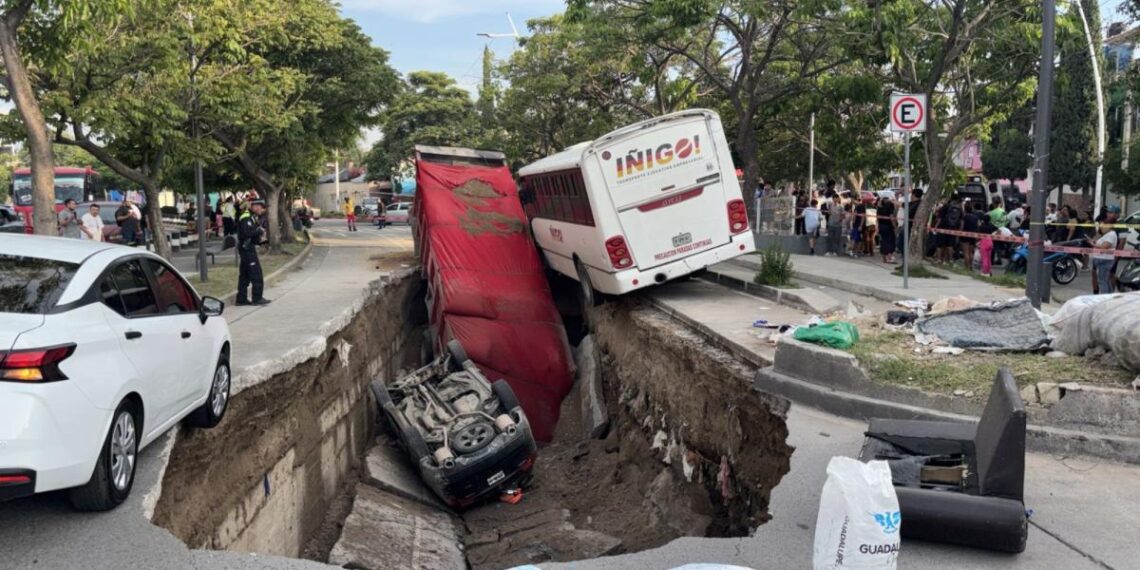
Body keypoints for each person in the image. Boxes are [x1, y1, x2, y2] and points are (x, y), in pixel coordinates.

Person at [237, 200, 271, 306]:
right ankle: (257, 298)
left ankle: (241, 299)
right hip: (246, 249)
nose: (263, 209)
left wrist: (262, 241)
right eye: (262, 207)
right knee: (256, 274)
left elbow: (251, 234)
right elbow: (246, 233)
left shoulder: (252, 217)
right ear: (255, 206)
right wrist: (259, 231)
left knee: (245, 275)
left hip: (248, 247)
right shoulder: (246, 217)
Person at [1090, 206, 1121, 294]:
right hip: (1102, 259)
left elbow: (1104, 246)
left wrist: (1093, 244)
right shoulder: (1107, 234)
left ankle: (1105, 297)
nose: (1101, 228)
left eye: (1103, 226)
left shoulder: (1111, 234)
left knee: (1103, 281)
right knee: (1105, 280)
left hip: (1104, 260)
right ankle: (1108, 295)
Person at [936, 195, 963, 264]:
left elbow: (940, 217)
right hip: (953, 228)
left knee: (940, 244)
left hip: (943, 227)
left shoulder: (946, 206)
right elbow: (962, 219)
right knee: (950, 245)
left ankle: (939, 259)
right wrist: (960, 230)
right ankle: (949, 260)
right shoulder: (959, 208)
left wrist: (936, 227)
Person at [961, 202, 980, 271]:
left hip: (965, 235)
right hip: (973, 235)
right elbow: (978, 226)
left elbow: (962, 226)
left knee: (966, 252)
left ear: (965, 210)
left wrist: (959, 233)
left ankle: (966, 267)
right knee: (971, 252)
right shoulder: (976, 217)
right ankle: (971, 266)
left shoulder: (964, 217)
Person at [878, 196, 896, 263]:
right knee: (890, 242)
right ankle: (889, 257)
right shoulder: (889, 209)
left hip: (881, 227)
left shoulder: (879, 209)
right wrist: (894, 226)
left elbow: (878, 218)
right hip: (889, 227)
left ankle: (884, 259)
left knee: (883, 242)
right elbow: (891, 218)